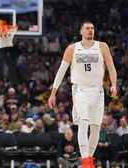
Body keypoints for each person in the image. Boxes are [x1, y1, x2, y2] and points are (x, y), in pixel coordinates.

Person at [48, 20, 117, 168]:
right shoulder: (72, 49)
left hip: (98, 91)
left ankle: (89, 159)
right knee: (83, 122)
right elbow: (61, 71)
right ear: (81, 32)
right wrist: (53, 93)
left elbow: (111, 67)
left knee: (95, 127)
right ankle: (85, 160)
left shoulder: (102, 46)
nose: (90, 30)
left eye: (92, 28)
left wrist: (114, 84)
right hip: (80, 90)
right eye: (87, 28)